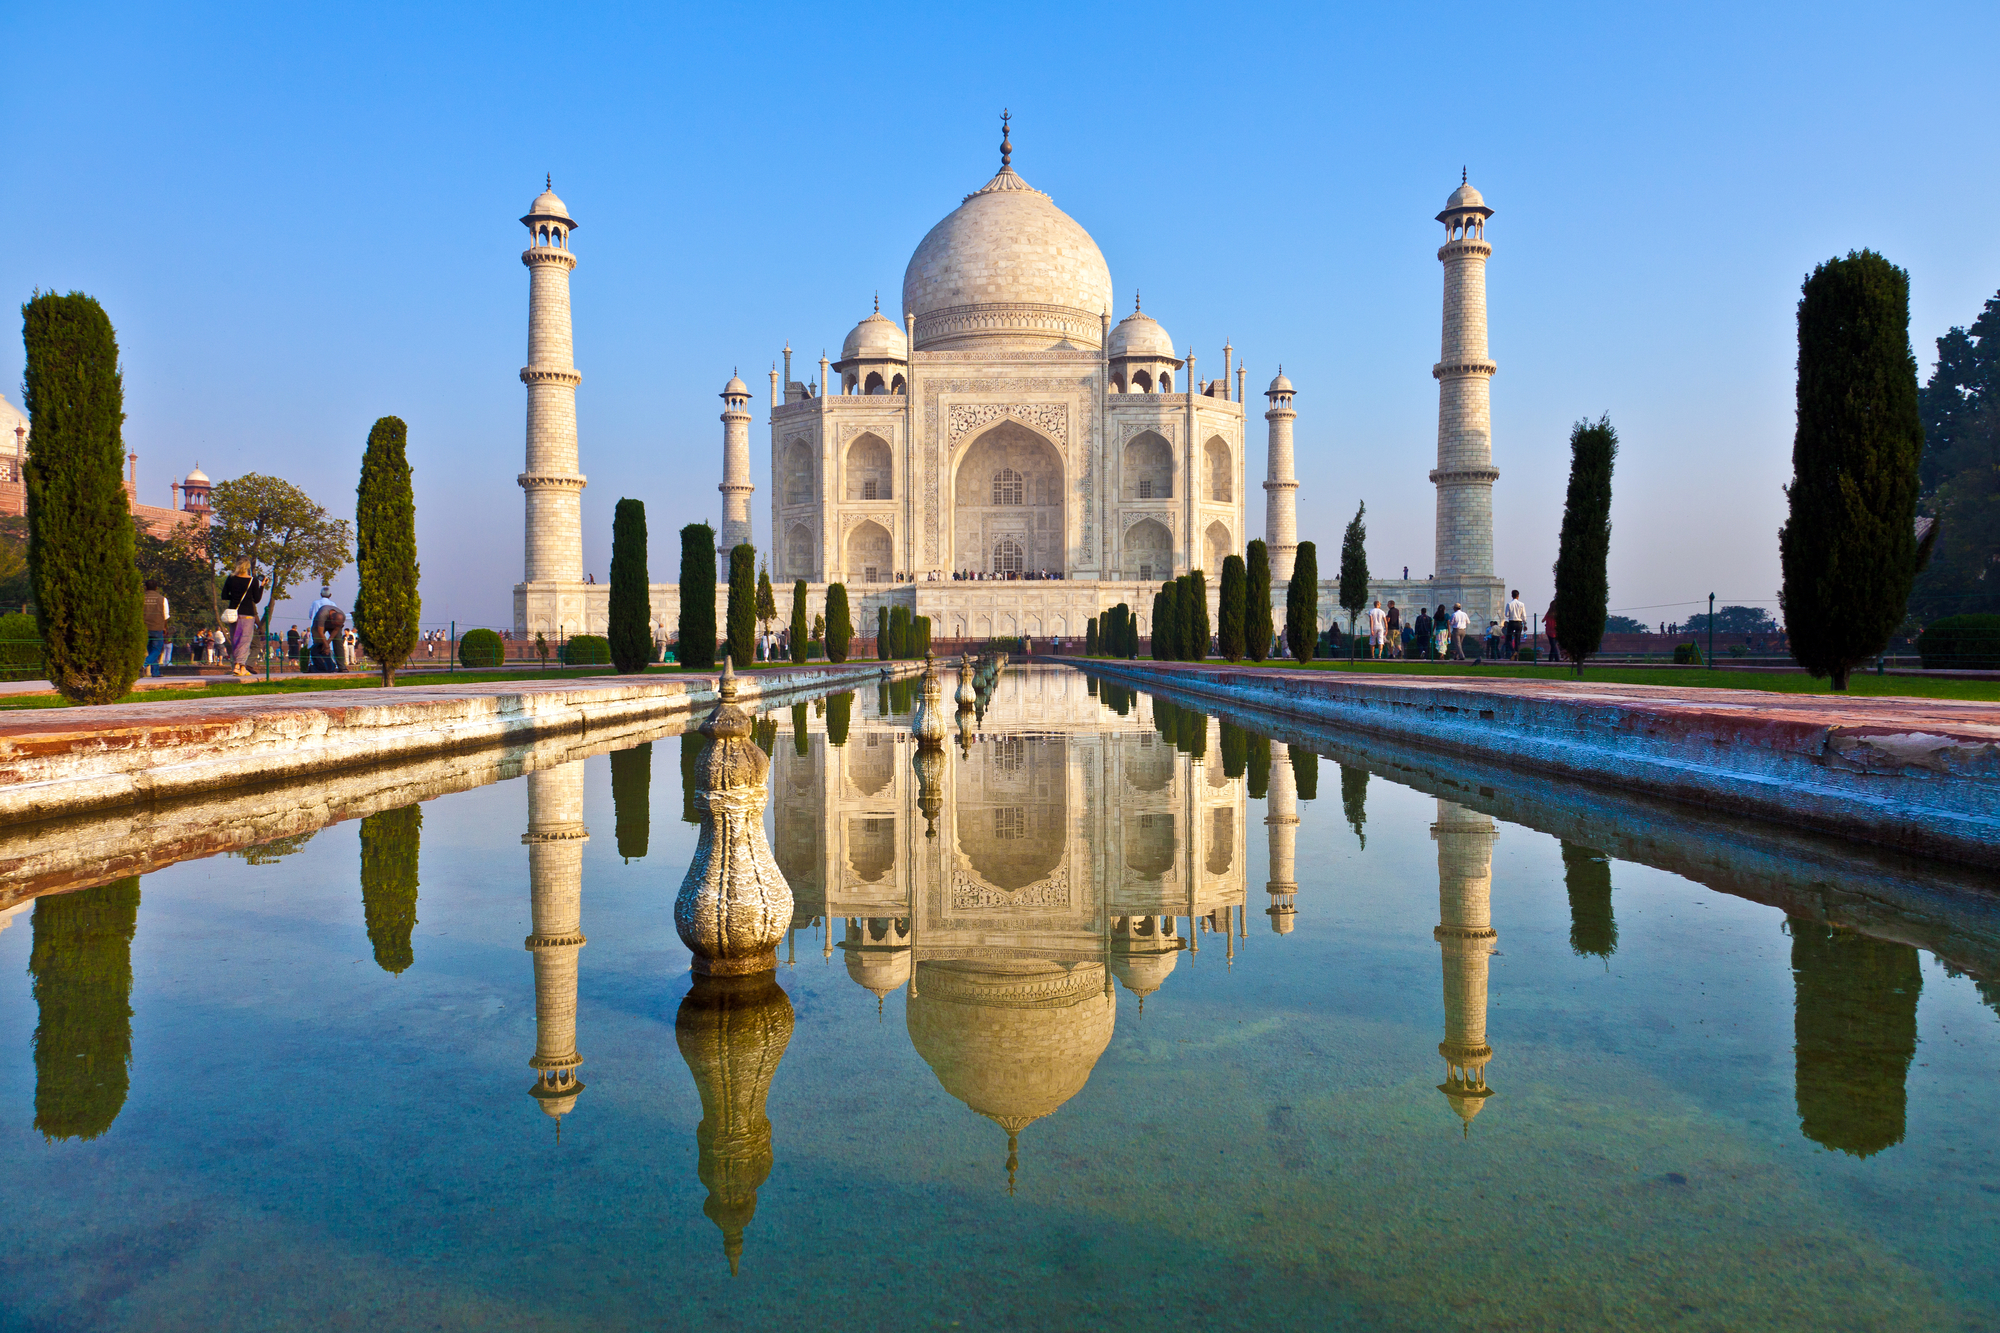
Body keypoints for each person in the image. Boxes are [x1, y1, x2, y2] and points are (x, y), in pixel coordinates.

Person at [220, 558, 267, 678]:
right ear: (247, 567)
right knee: (245, 640)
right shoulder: (253, 581)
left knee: (236, 640)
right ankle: (238, 665)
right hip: (247, 614)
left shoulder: (230, 579)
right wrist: (262, 586)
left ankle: (241, 667)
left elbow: (224, 595)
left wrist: (235, 597)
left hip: (233, 613)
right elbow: (256, 599)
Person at [140, 579, 169, 677]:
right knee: (157, 650)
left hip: (143, 627)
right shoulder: (162, 599)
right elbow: (165, 616)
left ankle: (155, 672)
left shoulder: (140, 598)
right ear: (156, 588)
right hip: (157, 627)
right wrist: (165, 627)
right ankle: (144, 664)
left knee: (151, 651)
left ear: (145, 587)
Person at [1503, 589, 1528, 660]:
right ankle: (1517, 657)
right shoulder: (1522, 604)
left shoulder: (1509, 604)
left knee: (1508, 640)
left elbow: (1506, 615)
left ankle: (1513, 651)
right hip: (1519, 623)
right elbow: (1524, 616)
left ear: (1512, 595)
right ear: (1518, 596)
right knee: (1517, 640)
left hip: (1511, 622)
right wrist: (1525, 624)